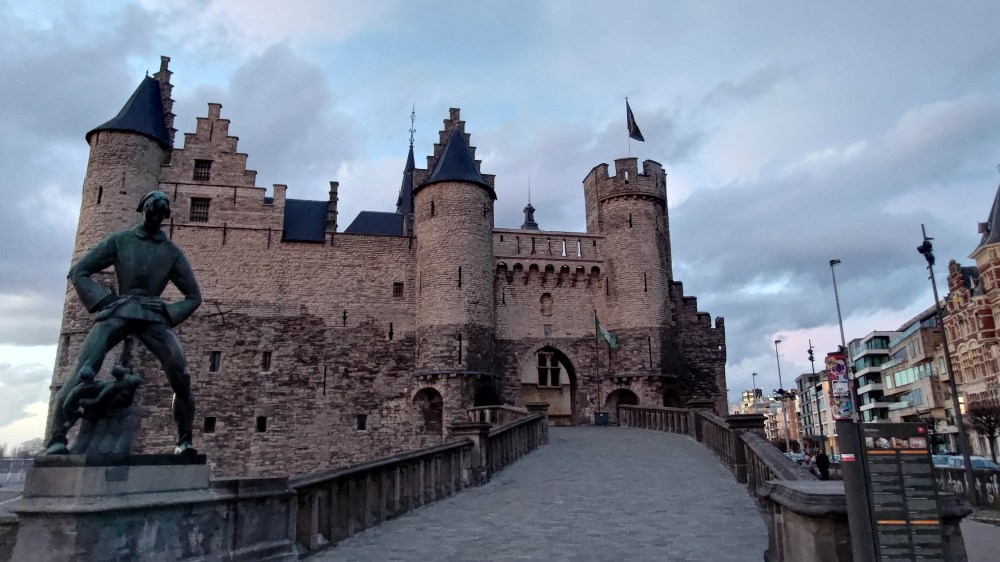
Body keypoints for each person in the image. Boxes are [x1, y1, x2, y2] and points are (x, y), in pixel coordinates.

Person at [45, 191, 202, 455]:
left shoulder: (172, 253)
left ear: (165, 216)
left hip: (152, 316)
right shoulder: (120, 240)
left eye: (161, 213)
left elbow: (194, 297)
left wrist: (167, 311)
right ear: (144, 210)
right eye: (152, 211)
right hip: (119, 310)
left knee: (181, 375)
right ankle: (57, 437)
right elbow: (79, 271)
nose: (156, 217)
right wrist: (105, 300)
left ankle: (184, 440)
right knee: (84, 368)